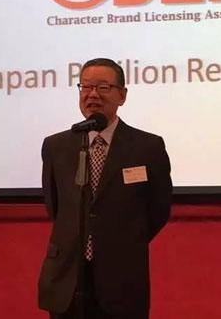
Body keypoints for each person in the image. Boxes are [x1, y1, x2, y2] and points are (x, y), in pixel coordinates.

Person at [38, 58, 173, 319]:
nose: (92, 95)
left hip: (121, 279)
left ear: (122, 95)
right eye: (86, 87)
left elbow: (158, 210)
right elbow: (56, 206)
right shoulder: (56, 146)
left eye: (103, 87)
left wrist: (121, 240)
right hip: (67, 278)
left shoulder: (147, 147)